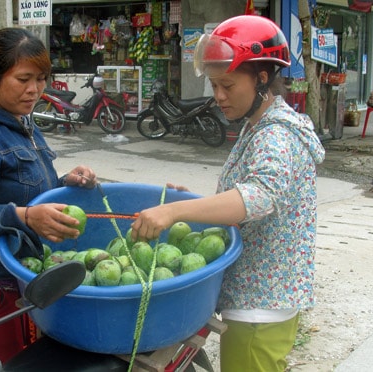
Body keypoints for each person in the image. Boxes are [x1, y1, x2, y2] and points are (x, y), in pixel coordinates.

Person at [130, 15, 325, 372]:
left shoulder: (276, 136)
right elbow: (246, 192)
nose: (218, 96)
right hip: (258, 299)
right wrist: (192, 202)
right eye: (214, 85)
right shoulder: (258, 126)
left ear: (262, 79)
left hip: (259, 307)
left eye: (228, 85)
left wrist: (174, 213)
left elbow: (259, 195)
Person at [0, 27, 97, 363]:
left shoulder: (21, 120)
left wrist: (64, 182)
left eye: (41, 79)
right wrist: (23, 216)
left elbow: (24, 186)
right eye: (24, 78)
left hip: (24, 285)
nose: (35, 90)